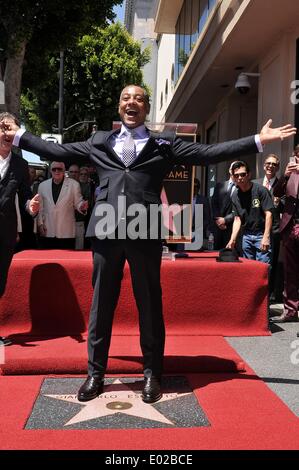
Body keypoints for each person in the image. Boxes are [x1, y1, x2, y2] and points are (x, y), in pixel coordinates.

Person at [1, 85, 296, 402]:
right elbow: (58, 152)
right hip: (106, 234)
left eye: (139, 99)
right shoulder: (99, 141)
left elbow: (207, 154)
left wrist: (256, 141)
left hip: (146, 235)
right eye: (126, 98)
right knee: (101, 307)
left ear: (146, 108)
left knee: (150, 306)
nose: (132, 102)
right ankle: (95, 374)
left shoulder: (162, 145)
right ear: (119, 107)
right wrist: (20, 135)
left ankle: (152, 374)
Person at [0, 112, 40, 346]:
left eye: (10, 129)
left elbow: (26, 198)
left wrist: (31, 206)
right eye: (2, 128)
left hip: (5, 234)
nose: (6, 133)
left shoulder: (20, 164)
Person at [270, 150, 299, 323]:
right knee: (290, 271)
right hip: (290, 226)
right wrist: (285, 176)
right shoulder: (290, 173)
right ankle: (290, 311)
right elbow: (276, 192)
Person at [227, 161, 273, 263]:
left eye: (243, 174)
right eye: (236, 175)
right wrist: (232, 239)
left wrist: (266, 236)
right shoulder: (235, 195)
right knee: (249, 269)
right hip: (246, 235)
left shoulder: (261, 190)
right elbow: (237, 219)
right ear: (233, 177)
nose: (240, 178)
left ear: (249, 175)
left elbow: (269, 214)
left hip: (261, 234)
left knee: (263, 269)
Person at [37, 161, 88, 249]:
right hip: (48, 230)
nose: (57, 171)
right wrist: (40, 224)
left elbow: (78, 202)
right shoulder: (42, 186)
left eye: (59, 169)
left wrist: (82, 206)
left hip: (66, 232)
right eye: (54, 169)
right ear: (50, 171)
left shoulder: (74, 185)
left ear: (64, 171)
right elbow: (40, 208)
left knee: (66, 261)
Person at [255, 154, 283, 301]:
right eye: (268, 163)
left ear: (277, 168)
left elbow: (287, 207)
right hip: (254, 230)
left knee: (269, 266)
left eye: (274, 164)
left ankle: (267, 298)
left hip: (273, 232)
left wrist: (279, 203)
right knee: (253, 264)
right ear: (264, 165)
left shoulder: (282, 185)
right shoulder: (255, 183)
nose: (270, 166)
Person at [211, 161, 238, 250]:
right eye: (233, 168)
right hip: (218, 227)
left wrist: (225, 220)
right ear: (230, 170)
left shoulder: (242, 188)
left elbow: (240, 209)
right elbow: (214, 204)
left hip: (232, 227)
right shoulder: (219, 185)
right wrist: (218, 220)